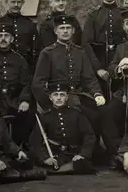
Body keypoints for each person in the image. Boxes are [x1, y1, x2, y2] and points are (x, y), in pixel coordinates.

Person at [31, 15, 117, 165]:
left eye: (68, 28)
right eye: (62, 28)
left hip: (78, 95)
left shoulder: (80, 52)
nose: (65, 31)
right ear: (56, 31)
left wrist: (97, 94)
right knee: (83, 115)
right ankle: (91, 152)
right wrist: (49, 104)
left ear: (73, 31)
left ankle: (115, 153)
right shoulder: (48, 53)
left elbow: (89, 78)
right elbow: (38, 84)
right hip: (58, 98)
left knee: (104, 112)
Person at [30, 81, 96, 175]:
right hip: (54, 156)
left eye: (62, 95)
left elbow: (89, 136)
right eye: (55, 95)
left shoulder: (77, 114)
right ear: (50, 97)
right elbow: (35, 142)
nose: (59, 98)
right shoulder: (44, 117)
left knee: (81, 165)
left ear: (67, 97)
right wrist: (45, 158)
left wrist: (82, 154)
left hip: (73, 155)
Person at [82, 0, 127, 99]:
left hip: (120, 60)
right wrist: (98, 69)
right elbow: (86, 44)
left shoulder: (124, 14)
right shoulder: (93, 16)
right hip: (100, 60)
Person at [0, 0, 40, 69]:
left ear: (23, 3)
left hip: (24, 65)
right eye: (13, 2)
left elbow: (35, 48)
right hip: (1, 65)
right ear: (6, 2)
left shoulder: (29, 23)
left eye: (19, 2)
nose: (16, 5)